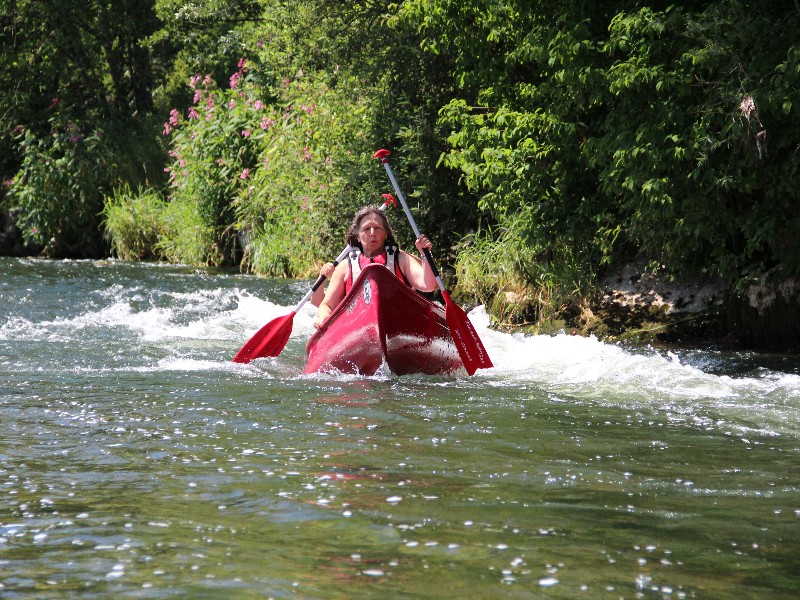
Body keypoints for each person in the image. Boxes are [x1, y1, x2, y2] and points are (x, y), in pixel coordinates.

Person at [314, 205, 437, 329]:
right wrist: (324, 317)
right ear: (358, 236)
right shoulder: (345, 267)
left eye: (377, 228)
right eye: (366, 229)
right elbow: (326, 306)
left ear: (386, 234)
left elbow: (430, 285)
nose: (372, 233)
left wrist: (425, 255)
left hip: (399, 324)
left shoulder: (400, 259)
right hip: (355, 328)